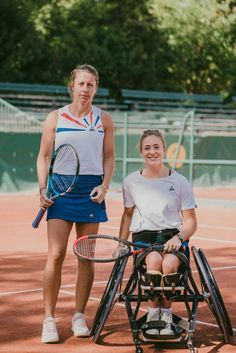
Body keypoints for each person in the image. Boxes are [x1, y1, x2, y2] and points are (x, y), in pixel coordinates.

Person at [37, 64, 115, 343]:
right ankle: (49, 320)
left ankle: (79, 315)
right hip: (60, 188)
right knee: (56, 254)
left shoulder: (104, 119)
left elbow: (108, 157)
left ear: (96, 87)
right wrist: (43, 187)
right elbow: (44, 156)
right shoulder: (55, 118)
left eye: (90, 84)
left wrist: (105, 185)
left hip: (91, 190)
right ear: (72, 85)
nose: (85, 89)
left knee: (85, 256)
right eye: (81, 84)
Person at [119, 129, 197, 336]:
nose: (152, 151)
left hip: (173, 236)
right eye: (147, 148)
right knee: (153, 261)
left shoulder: (180, 181)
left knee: (169, 264)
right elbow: (127, 215)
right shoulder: (131, 181)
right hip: (144, 238)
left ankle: (167, 313)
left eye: (156, 147)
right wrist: (121, 243)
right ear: (141, 152)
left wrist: (179, 237)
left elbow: (191, 222)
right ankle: (154, 314)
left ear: (163, 148)